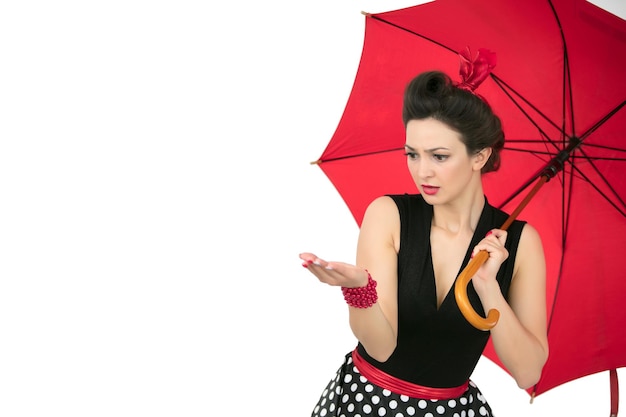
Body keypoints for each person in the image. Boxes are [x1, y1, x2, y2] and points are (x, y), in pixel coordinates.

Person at [299, 50, 549, 417]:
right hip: (366, 405)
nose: (422, 172)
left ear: (479, 156)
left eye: (439, 156)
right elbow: (381, 348)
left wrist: (488, 288)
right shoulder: (388, 216)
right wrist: (358, 289)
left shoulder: (520, 243)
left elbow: (527, 370)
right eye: (412, 154)